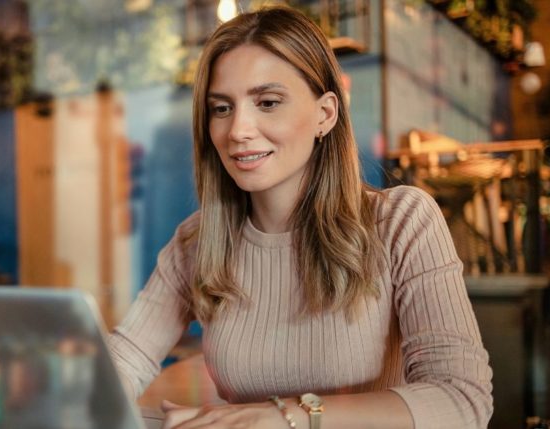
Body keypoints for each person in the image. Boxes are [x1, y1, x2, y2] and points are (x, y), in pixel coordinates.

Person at [107, 6, 493, 429]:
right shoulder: (197, 242)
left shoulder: (402, 221)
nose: (238, 129)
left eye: (267, 102)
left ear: (325, 114)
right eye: (221, 108)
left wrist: (283, 417)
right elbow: (124, 360)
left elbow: (461, 399)